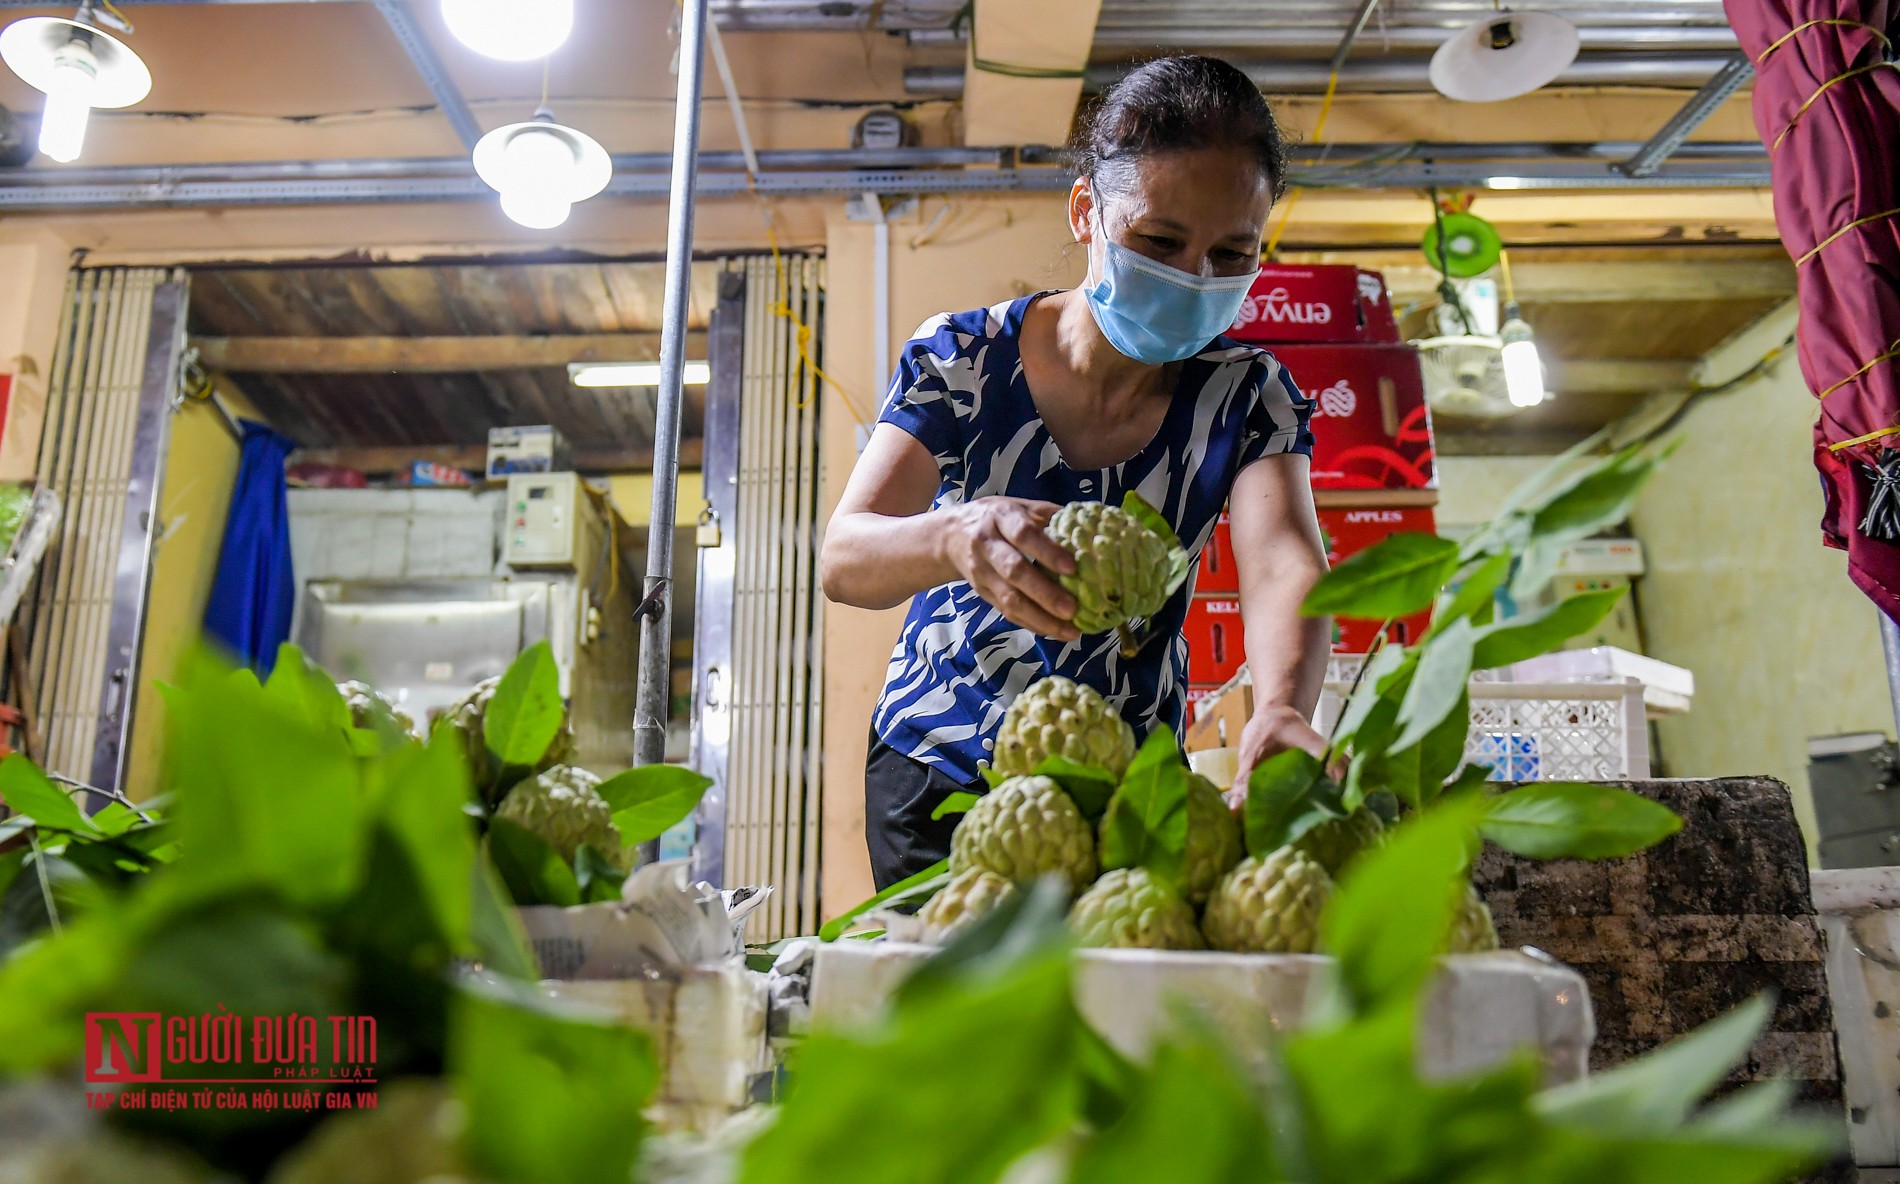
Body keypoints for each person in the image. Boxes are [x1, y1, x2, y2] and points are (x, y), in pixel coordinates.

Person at [820, 55, 1332, 889]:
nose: (1194, 277)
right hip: (945, 768)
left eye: (1232, 252)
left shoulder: (1246, 395)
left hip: (1124, 791)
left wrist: (1280, 705)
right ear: (1087, 209)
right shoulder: (964, 357)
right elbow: (847, 559)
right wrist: (957, 532)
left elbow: (1282, 558)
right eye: (1160, 241)